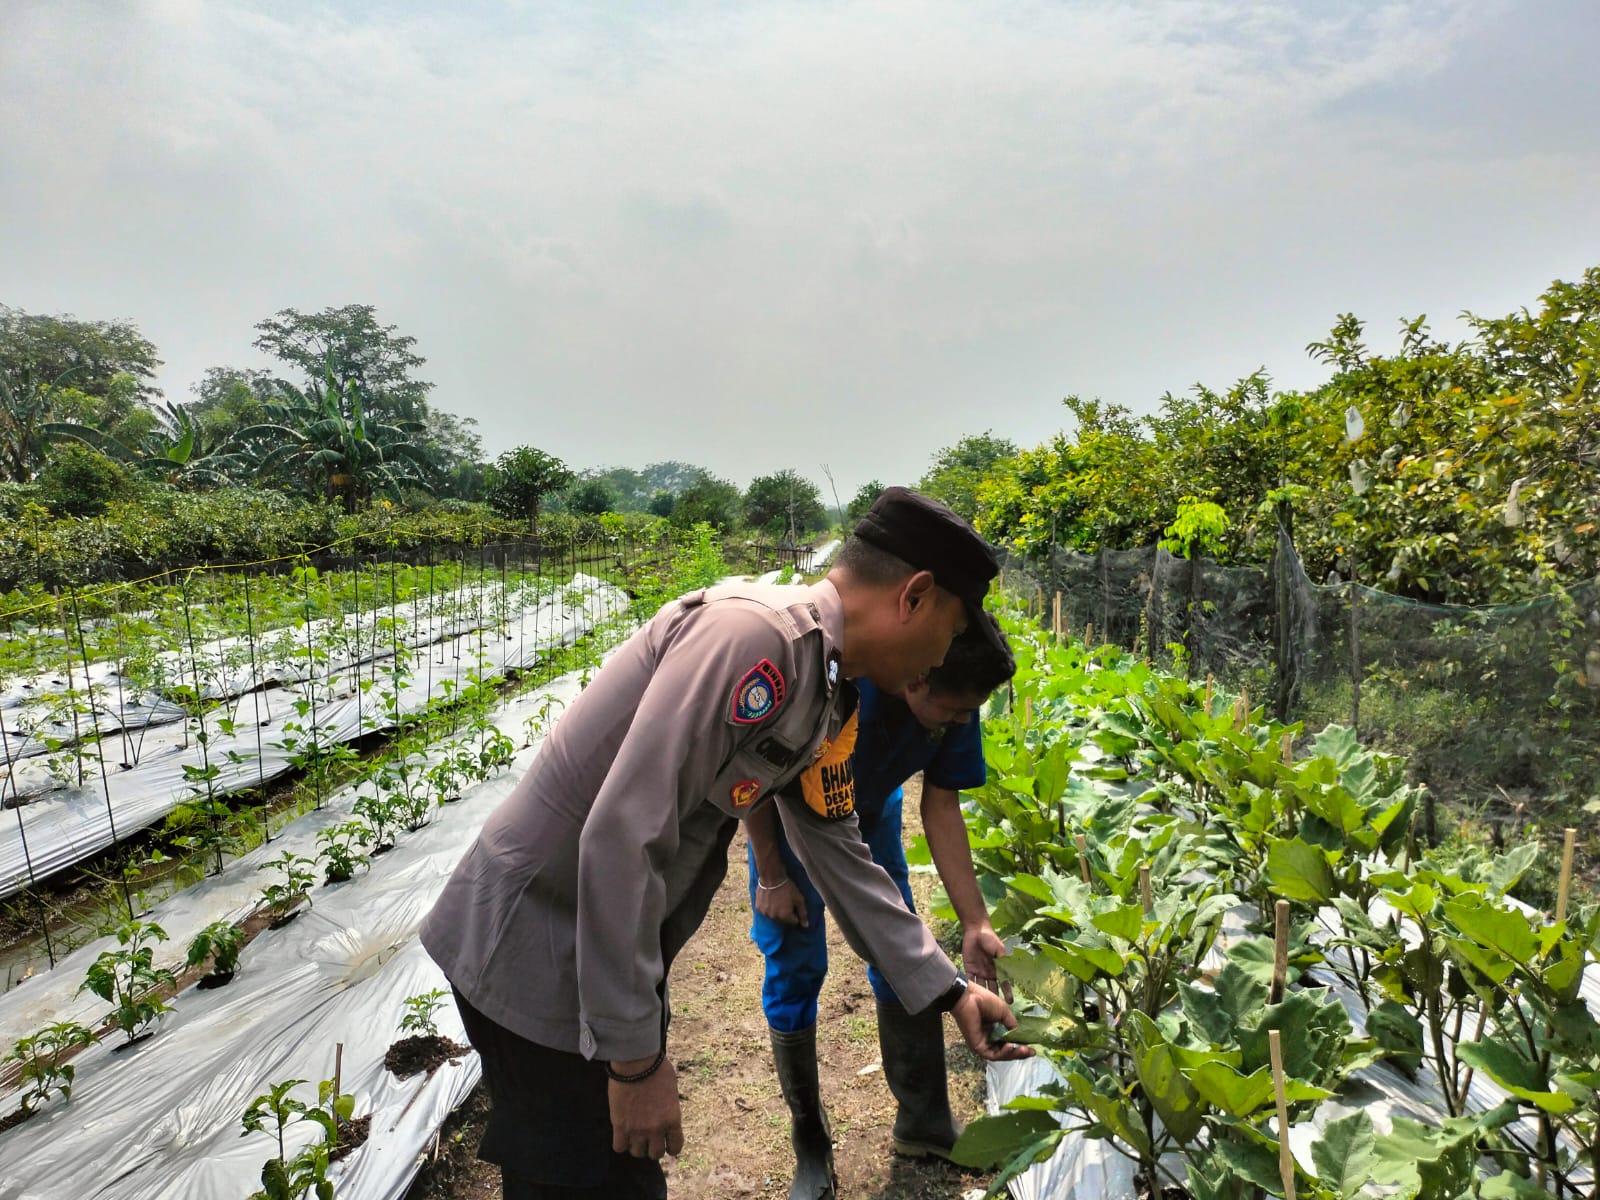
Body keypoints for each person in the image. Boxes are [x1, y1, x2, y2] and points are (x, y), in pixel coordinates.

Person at [419, 487, 1033, 1200]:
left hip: (586, 944)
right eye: (954, 629)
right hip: (533, 939)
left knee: (596, 1177)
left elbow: (835, 847)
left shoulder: (827, 687)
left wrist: (948, 990)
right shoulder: (757, 640)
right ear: (916, 596)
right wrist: (635, 1064)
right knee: (593, 1178)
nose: (944, 655)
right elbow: (621, 837)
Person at [745, 613, 1015, 1199]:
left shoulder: (956, 698)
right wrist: (770, 874)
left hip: (872, 816)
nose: (961, 724)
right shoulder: (841, 680)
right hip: (791, 826)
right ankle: (810, 1146)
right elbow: (754, 774)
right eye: (953, 713)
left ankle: (923, 1120)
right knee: (795, 968)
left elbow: (941, 807)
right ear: (916, 680)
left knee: (902, 952)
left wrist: (976, 922)